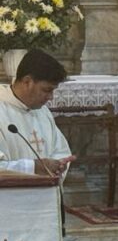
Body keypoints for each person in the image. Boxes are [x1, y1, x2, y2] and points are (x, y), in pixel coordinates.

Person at [0, 48, 73, 177]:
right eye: (46, 90)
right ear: (27, 81)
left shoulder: (42, 112)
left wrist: (59, 165)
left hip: (44, 195)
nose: (51, 97)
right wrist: (33, 167)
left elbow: (61, 151)